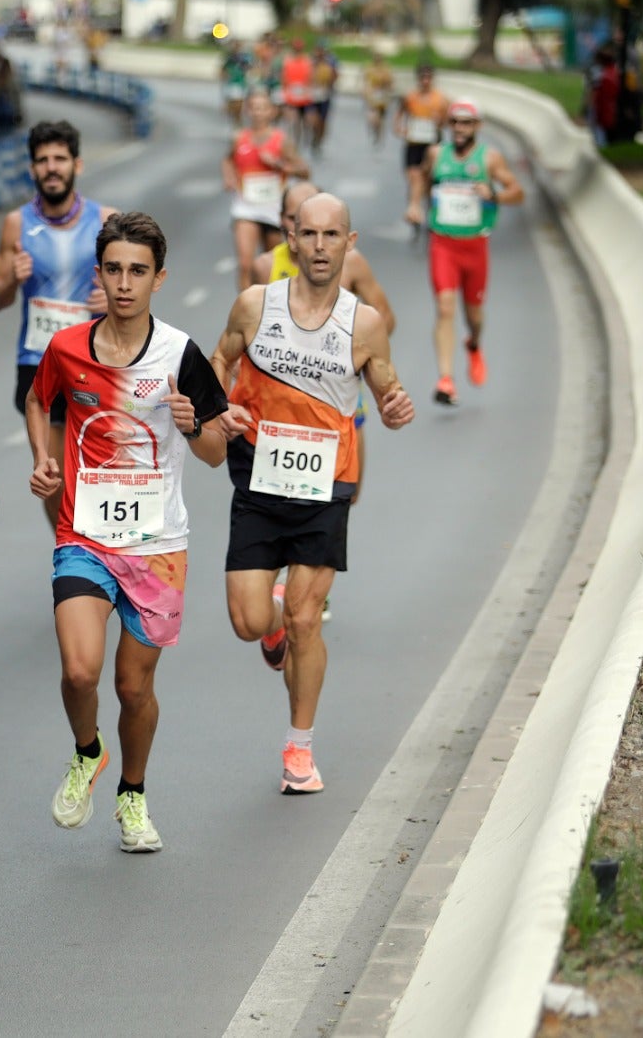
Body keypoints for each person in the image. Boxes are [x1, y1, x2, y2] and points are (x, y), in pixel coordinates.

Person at [26, 212, 228, 852]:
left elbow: (218, 453)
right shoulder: (67, 348)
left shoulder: (181, 355)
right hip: (83, 533)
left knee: (133, 686)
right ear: (100, 273)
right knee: (81, 672)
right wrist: (44, 456)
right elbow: (39, 400)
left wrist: (194, 424)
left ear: (158, 279)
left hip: (157, 545)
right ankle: (88, 752)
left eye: (137, 271)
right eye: (113, 269)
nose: (123, 283)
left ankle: (133, 794)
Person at [208, 193, 415, 795]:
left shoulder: (365, 324)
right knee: (251, 621)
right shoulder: (254, 305)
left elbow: (389, 394)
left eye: (333, 236)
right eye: (310, 235)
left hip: (326, 483)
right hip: (258, 479)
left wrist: (397, 409)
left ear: (350, 245)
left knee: (306, 617)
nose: (321, 247)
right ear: (290, 241)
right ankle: (271, 628)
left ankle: (299, 749)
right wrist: (221, 413)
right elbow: (219, 362)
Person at [0, 119, 122, 529]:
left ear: (76, 164)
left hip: (96, 358)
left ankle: (100, 542)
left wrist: (112, 301)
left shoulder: (106, 220)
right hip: (39, 359)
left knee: (100, 467)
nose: (51, 167)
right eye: (42, 160)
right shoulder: (17, 224)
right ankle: (69, 546)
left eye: (59, 158)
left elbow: (135, 288)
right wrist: (13, 276)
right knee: (54, 471)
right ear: (32, 169)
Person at [254, 180, 397, 504]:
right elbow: (250, 332)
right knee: (277, 494)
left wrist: (352, 351)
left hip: (337, 386)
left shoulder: (352, 262)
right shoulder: (265, 267)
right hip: (283, 394)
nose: (314, 239)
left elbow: (386, 318)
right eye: (294, 219)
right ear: (285, 224)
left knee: (347, 494)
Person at [404, 99, 524, 406]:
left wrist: (494, 194)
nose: (460, 129)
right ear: (449, 126)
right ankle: (446, 380)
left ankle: (474, 343)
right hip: (443, 243)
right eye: (455, 122)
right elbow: (420, 177)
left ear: (477, 127)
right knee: (445, 308)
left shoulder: (490, 159)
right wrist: (415, 204)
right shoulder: (436, 153)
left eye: (466, 123)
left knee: (474, 315)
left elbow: (518, 192)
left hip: (475, 246)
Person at [223, 87, 309, 292]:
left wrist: (279, 164)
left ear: (272, 111)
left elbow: (305, 172)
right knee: (245, 264)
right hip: (245, 206)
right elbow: (227, 160)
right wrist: (229, 178)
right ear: (247, 111)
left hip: (273, 209)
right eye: (253, 107)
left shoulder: (281, 140)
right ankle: (247, 310)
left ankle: (271, 306)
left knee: (272, 265)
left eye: (263, 108)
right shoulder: (239, 138)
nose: (258, 112)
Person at [395, 63, 449, 239]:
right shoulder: (410, 97)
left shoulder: (441, 99)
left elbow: (447, 122)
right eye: (422, 78)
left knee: (430, 183)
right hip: (414, 144)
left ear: (432, 79)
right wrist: (399, 129)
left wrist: (439, 120)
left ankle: (428, 213)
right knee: (414, 177)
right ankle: (415, 209)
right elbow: (400, 114)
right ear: (418, 79)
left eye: (428, 77)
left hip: (432, 145)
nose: (425, 81)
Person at [307, 42, 338, 154]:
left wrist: (327, 86)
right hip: (312, 97)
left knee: (322, 121)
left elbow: (334, 79)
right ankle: (314, 136)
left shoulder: (329, 65)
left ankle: (319, 139)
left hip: (324, 97)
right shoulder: (310, 64)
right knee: (312, 119)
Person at [363, 53, 394, 146]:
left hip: (382, 97)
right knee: (372, 117)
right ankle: (374, 130)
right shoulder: (370, 68)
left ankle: (379, 135)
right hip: (372, 96)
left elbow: (390, 83)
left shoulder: (386, 70)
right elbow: (366, 81)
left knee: (380, 118)